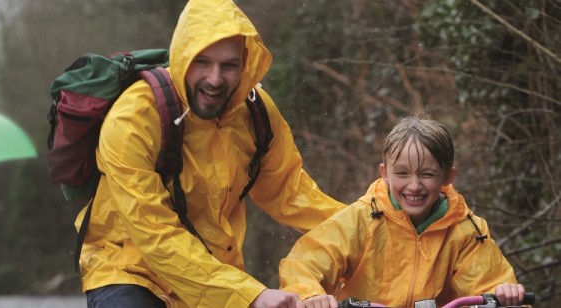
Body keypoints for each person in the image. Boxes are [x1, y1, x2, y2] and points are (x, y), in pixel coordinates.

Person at [78, 0, 346, 307]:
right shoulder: (133, 121)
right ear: (182, 57)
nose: (215, 79)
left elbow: (291, 193)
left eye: (229, 65)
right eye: (202, 62)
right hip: (129, 269)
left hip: (214, 276)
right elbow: (156, 237)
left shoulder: (255, 112)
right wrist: (251, 295)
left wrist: (369, 227)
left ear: (246, 65)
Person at [279, 113, 526, 308]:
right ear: (385, 174)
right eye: (402, 173)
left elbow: (488, 283)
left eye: (427, 174)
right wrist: (311, 294)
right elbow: (303, 264)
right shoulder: (361, 219)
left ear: (447, 177)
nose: (414, 186)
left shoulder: (466, 231)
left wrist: (503, 294)